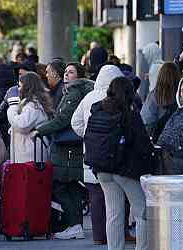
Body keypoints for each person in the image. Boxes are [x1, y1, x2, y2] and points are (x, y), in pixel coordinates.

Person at [85, 77, 151, 250]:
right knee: (142, 211)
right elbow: (143, 144)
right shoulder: (130, 113)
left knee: (114, 213)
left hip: (102, 169)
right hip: (125, 170)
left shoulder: (98, 110)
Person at [35, 73, 94, 240]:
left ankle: (75, 225)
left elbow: (63, 119)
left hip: (67, 148)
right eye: (65, 72)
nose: (66, 75)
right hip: (71, 147)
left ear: (79, 76)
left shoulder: (74, 93)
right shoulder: (76, 91)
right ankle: (76, 225)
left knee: (61, 184)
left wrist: (40, 130)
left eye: (71, 71)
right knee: (71, 186)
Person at [71, 65, 124, 245]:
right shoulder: (119, 97)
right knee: (115, 200)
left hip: (91, 152)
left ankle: (98, 236)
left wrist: (87, 135)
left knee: (95, 197)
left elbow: (75, 122)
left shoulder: (89, 97)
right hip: (113, 155)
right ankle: (116, 236)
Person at [7, 72, 52, 163]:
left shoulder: (33, 105)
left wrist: (12, 106)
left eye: (20, 86)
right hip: (29, 150)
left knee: (29, 176)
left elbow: (22, 125)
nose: (19, 89)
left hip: (30, 152)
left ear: (27, 87)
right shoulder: (32, 103)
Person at [140, 62, 180, 142]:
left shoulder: (154, 95)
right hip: (176, 138)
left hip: (158, 138)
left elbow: (146, 120)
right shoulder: (181, 93)